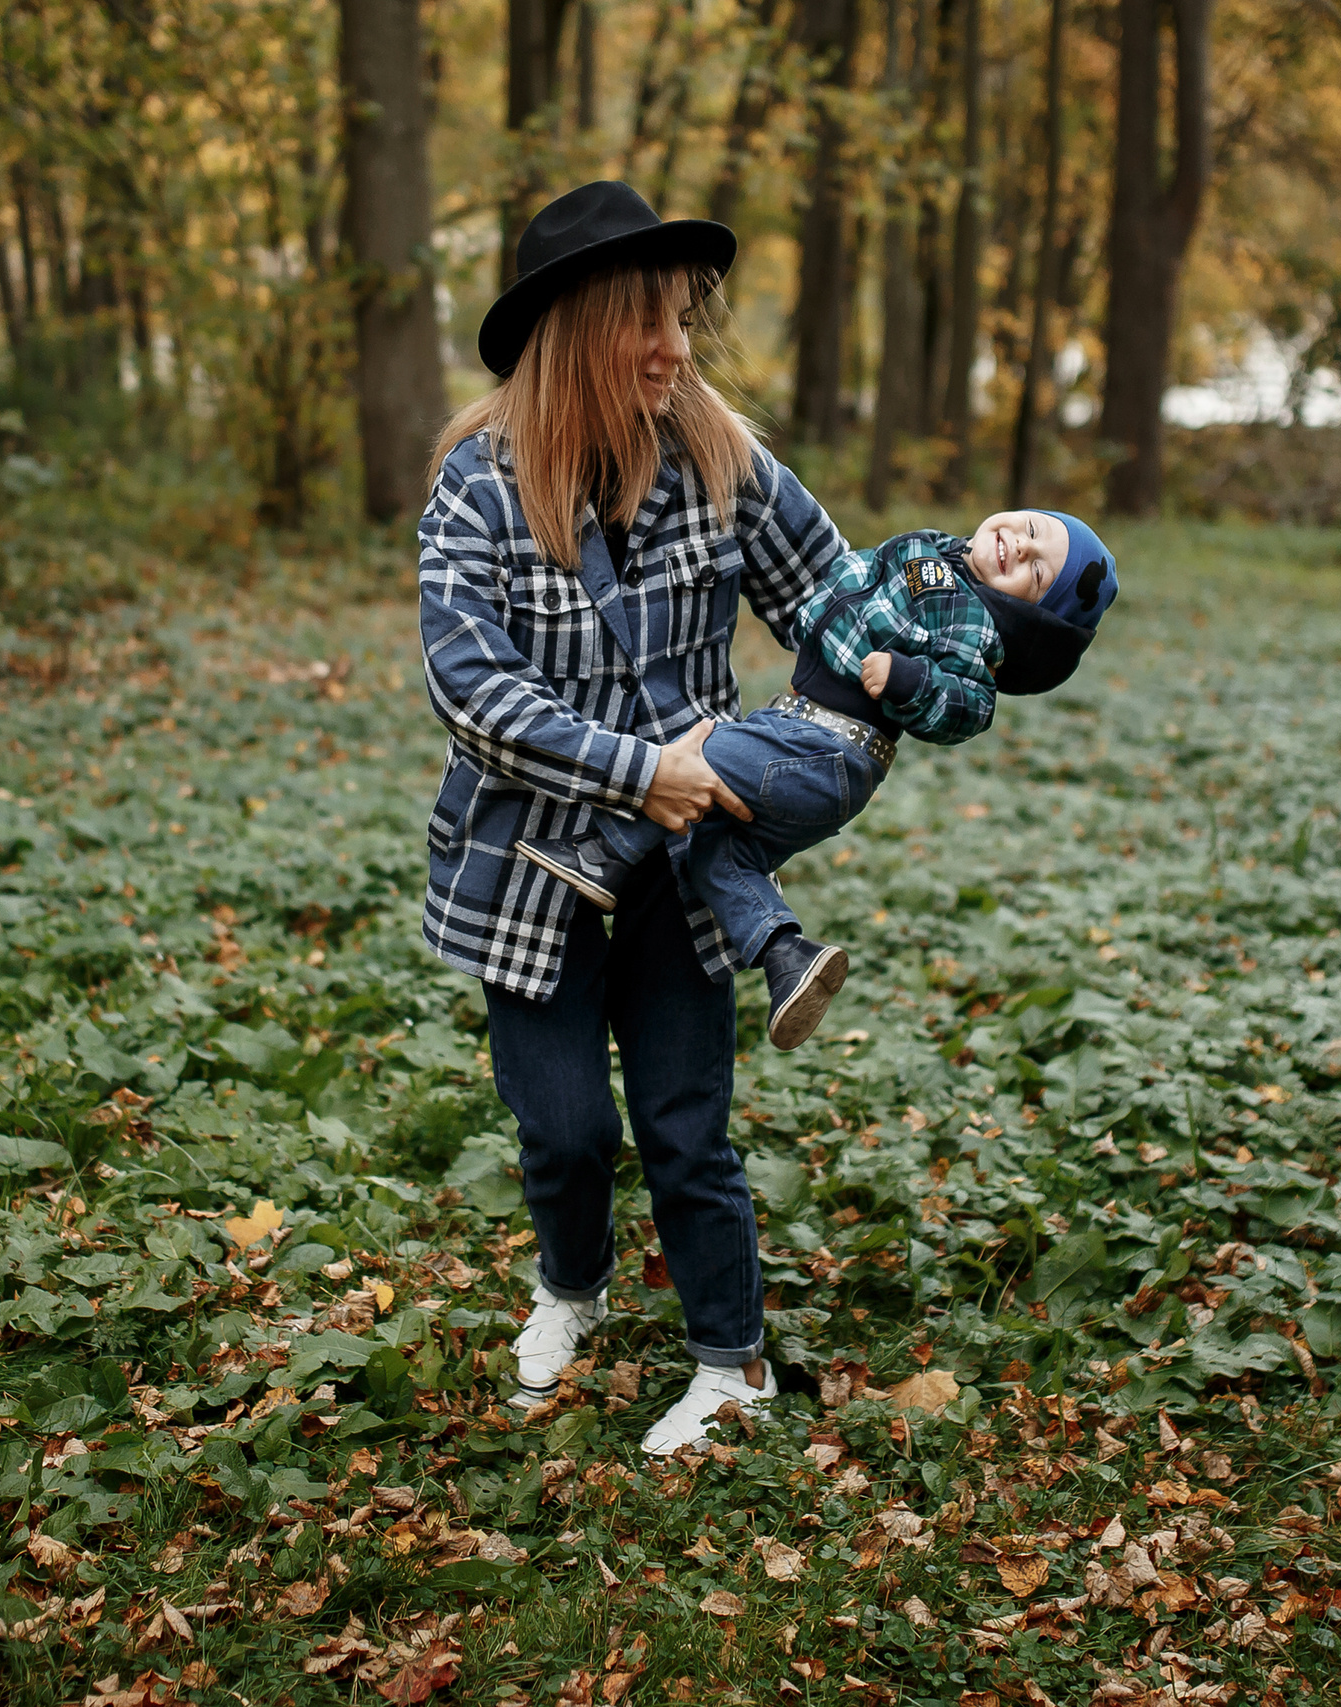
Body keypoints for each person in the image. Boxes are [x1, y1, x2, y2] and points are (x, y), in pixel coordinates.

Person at [417, 180, 849, 1455]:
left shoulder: (721, 462)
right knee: (562, 1131)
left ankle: (731, 1364)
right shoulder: (478, 487)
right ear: (573, 333)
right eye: (643, 322)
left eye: (681, 318)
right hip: (526, 863)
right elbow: (469, 685)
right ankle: (572, 1286)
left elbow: (837, 609)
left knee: (683, 1122)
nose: (673, 348)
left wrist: (957, 631)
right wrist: (634, 768)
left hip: (682, 861)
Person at [517, 510, 1120, 1050]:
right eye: (1031, 528)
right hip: (806, 737)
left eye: (1036, 572)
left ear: (1026, 611)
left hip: (829, 747)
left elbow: (970, 706)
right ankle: (788, 957)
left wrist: (909, 680)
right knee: (715, 855)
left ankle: (606, 853)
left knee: (701, 753)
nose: (1021, 546)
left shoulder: (975, 623)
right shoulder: (938, 550)